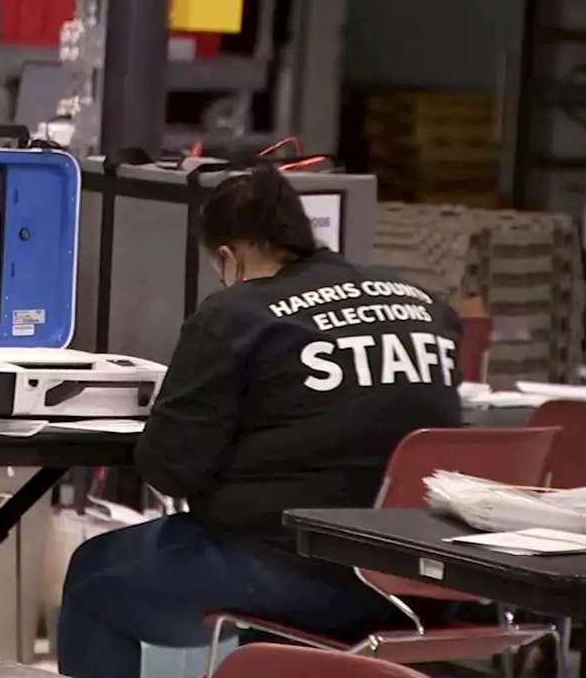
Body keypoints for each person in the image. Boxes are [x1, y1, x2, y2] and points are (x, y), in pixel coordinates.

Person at [57, 165, 464, 678]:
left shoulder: (236, 314)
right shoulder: (426, 306)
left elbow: (171, 469)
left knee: (94, 577)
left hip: (292, 574)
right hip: (426, 580)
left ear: (229, 257)